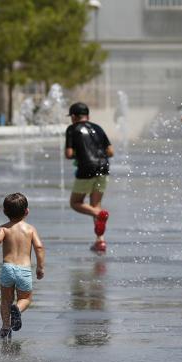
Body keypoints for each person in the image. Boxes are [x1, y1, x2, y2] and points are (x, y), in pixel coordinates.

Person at [0, 193, 45, 338]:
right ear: (27, 211)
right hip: (24, 270)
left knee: (5, 300)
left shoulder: (4, 229)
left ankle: (5, 327)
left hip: (7, 268)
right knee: (26, 298)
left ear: (5, 212)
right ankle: (17, 308)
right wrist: (40, 267)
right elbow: (39, 247)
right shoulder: (30, 229)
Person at [65, 102, 114, 252]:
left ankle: (99, 214)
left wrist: (79, 155)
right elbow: (110, 151)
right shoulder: (98, 128)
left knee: (75, 203)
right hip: (103, 168)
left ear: (73, 117)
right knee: (95, 203)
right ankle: (100, 241)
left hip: (86, 170)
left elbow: (68, 154)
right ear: (88, 116)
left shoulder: (72, 129)